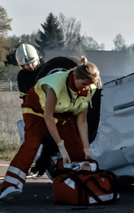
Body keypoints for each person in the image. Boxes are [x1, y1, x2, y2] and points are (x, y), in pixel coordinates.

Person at [0, 56, 101, 201]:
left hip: (62, 114)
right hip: (37, 112)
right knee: (31, 145)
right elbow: (48, 117)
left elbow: (82, 120)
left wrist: (87, 149)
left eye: (89, 85)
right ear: (75, 77)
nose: (85, 88)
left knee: (77, 151)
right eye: (84, 84)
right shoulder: (55, 85)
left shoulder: (88, 87)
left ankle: (77, 187)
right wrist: (60, 145)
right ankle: (10, 186)